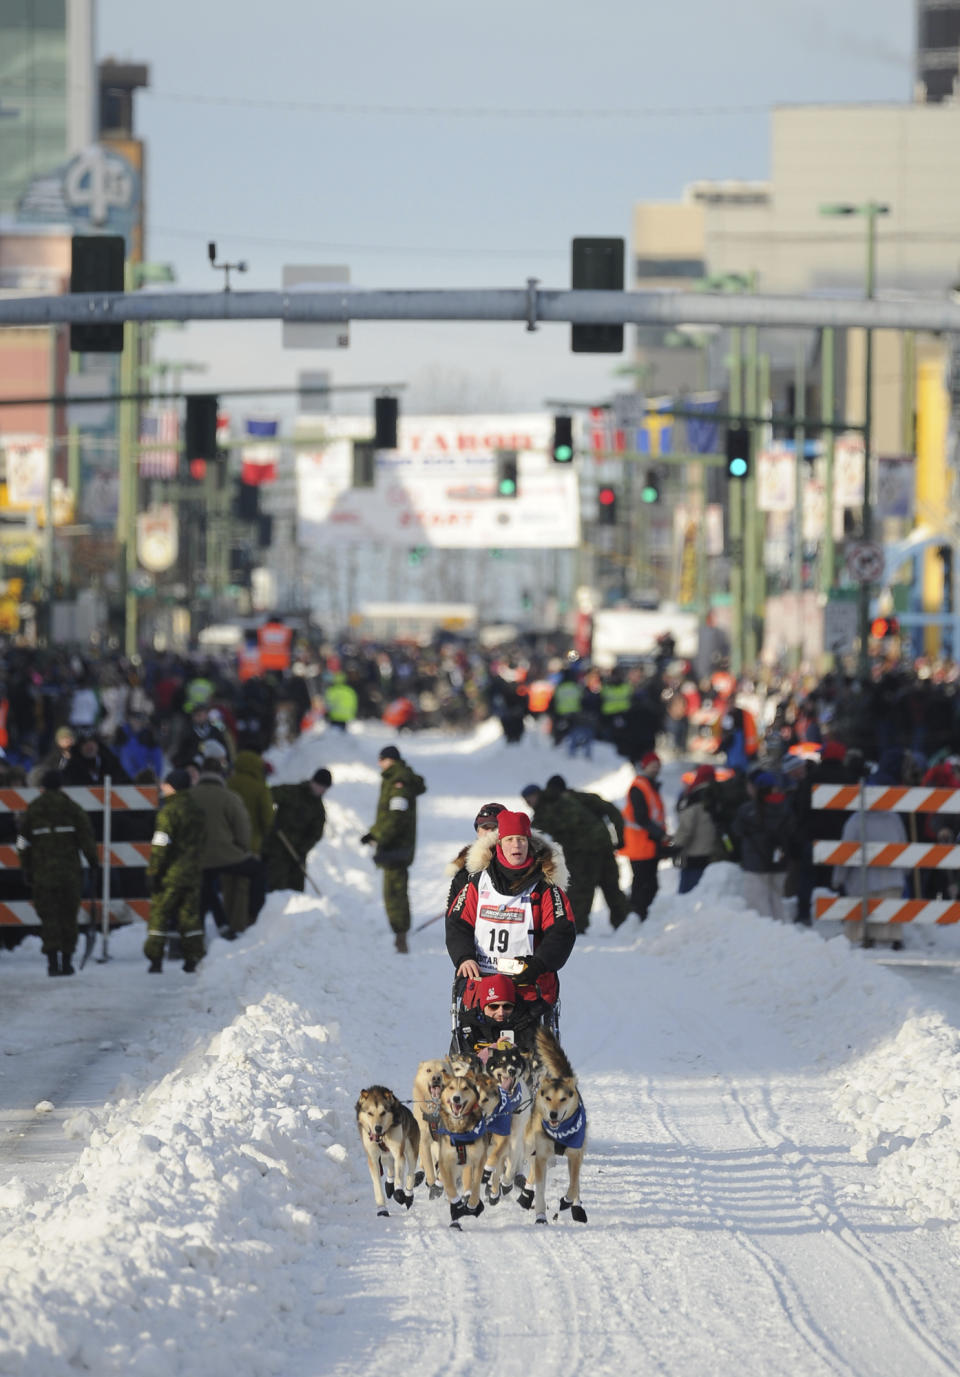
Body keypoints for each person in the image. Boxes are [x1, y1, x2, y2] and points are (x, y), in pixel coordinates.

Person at [446, 809, 576, 1040]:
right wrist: (464, 957)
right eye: (510, 839)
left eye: (522, 839)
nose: (516, 845)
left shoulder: (546, 888)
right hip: (482, 985)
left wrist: (537, 965)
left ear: (529, 844)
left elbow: (561, 932)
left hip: (530, 988)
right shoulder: (478, 882)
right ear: (499, 845)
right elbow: (458, 923)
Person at [16, 769, 99, 976]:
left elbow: (22, 842)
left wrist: (26, 866)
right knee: (68, 916)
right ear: (61, 786)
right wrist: (93, 863)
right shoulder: (72, 808)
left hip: (42, 873)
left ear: (43, 787)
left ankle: (52, 963)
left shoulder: (33, 809)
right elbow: (87, 839)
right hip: (69, 873)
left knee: (49, 917)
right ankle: (67, 961)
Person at [520, 779, 613, 933]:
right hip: (590, 846)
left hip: (584, 849)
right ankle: (584, 923)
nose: (528, 802)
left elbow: (533, 833)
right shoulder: (553, 803)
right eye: (526, 799)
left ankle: (579, 925)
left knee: (581, 886)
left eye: (530, 797)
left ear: (537, 794)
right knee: (596, 884)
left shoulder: (549, 806)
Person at [192, 750, 266, 939]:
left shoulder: (189, 797)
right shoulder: (229, 797)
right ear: (220, 774)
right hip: (226, 857)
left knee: (204, 882)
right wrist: (242, 848)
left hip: (195, 858)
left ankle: (199, 929)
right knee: (257, 870)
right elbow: (243, 830)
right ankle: (254, 916)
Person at [361, 744, 427, 953]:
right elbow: (388, 814)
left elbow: (396, 816)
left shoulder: (398, 780)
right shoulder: (394, 778)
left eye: (381, 760)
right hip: (395, 844)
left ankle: (401, 936)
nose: (379, 765)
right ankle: (400, 933)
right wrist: (374, 832)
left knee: (394, 892)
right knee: (394, 890)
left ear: (388, 759)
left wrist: (380, 836)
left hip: (396, 846)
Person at [144, 769, 207, 974]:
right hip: (193, 872)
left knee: (160, 916)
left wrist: (153, 871)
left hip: (170, 874)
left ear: (173, 786)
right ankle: (193, 958)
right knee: (190, 916)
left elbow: (161, 844)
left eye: (165, 784)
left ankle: (155, 960)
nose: (162, 787)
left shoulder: (168, 812)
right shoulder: (199, 809)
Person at [732, 769, 793, 922]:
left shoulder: (747, 810)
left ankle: (764, 939)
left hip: (755, 866)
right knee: (777, 902)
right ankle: (782, 935)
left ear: (754, 788)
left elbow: (737, 831)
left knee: (758, 908)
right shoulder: (786, 807)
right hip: (780, 863)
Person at [263, 767, 332, 892]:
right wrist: (270, 819)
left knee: (294, 889)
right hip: (276, 846)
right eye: (319, 785)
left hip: (296, 854)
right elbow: (267, 796)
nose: (321, 790)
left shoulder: (318, 810)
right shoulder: (292, 792)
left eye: (324, 788)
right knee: (272, 885)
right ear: (312, 781)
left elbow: (316, 834)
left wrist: (302, 849)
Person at [621, 751, 671, 922]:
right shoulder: (639, 787)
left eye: (658, 765)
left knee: (649, 885)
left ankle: (640, 918)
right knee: (643, 885)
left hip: (648, 845)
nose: (656, 768)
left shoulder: (650, 786)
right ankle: (636, 917)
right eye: (653, 765)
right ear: (644, 766)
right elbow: (641, 817)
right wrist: (660, 834)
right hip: (639, 845)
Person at [673, 764, 725, 894]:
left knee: (688, 895)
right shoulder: (720, 794)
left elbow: (686, 828)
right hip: (715, 853)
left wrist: (675, 848)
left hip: (694, 856)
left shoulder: (693, 798)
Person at [446, 801, 506, 910]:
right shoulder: (465, 866)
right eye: (485, 827)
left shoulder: (519, 861)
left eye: (494, 828)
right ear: (478, 830)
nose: (489, 833)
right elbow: (453, 916)